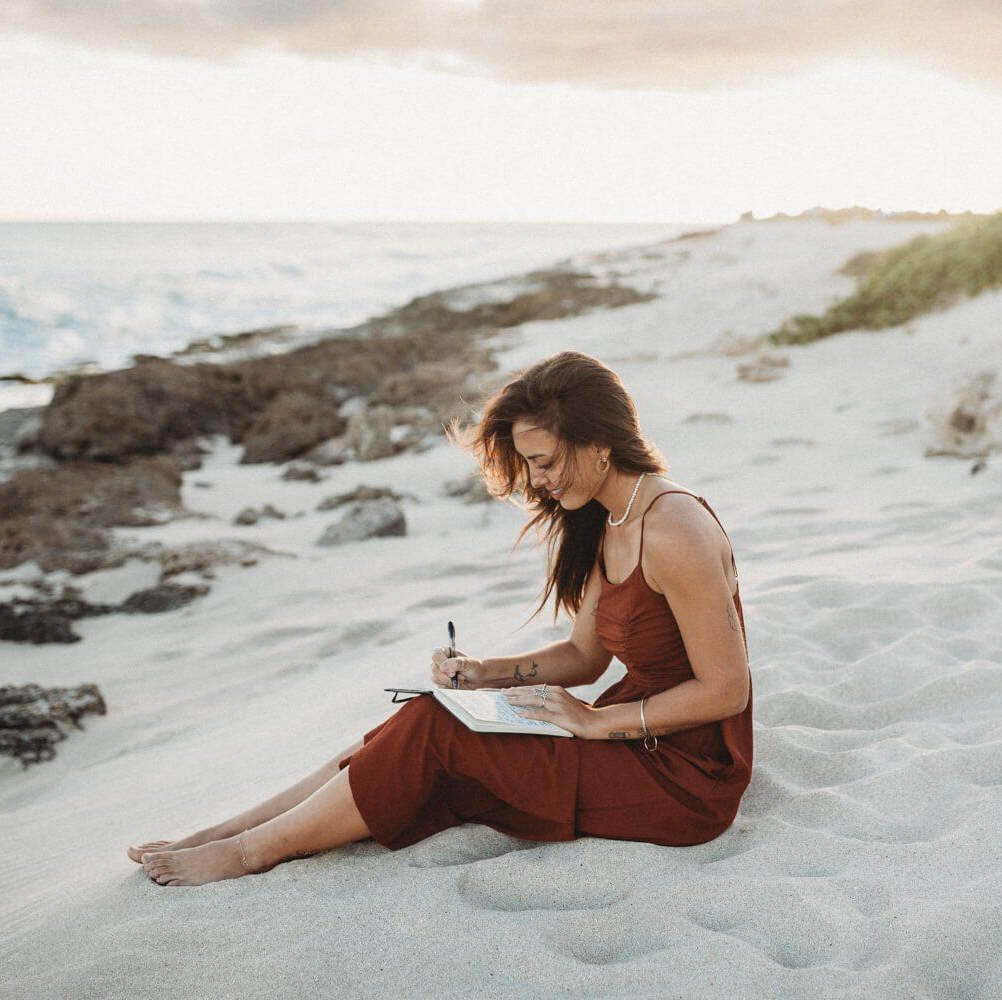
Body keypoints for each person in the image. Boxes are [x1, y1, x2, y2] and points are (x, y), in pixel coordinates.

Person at [130, 350, 752, 886]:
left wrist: (596, 724)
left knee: (435, 734)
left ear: (598, 446)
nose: (535, 482)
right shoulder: (607, 519)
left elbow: (727, 690)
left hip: (683, 775)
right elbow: (586, 658)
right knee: (433, 716)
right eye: (528, 463)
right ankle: (238, 827)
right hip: (631, 733)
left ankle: (250, 852)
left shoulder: (675, 531)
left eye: (543, 461)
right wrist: (481, 675)